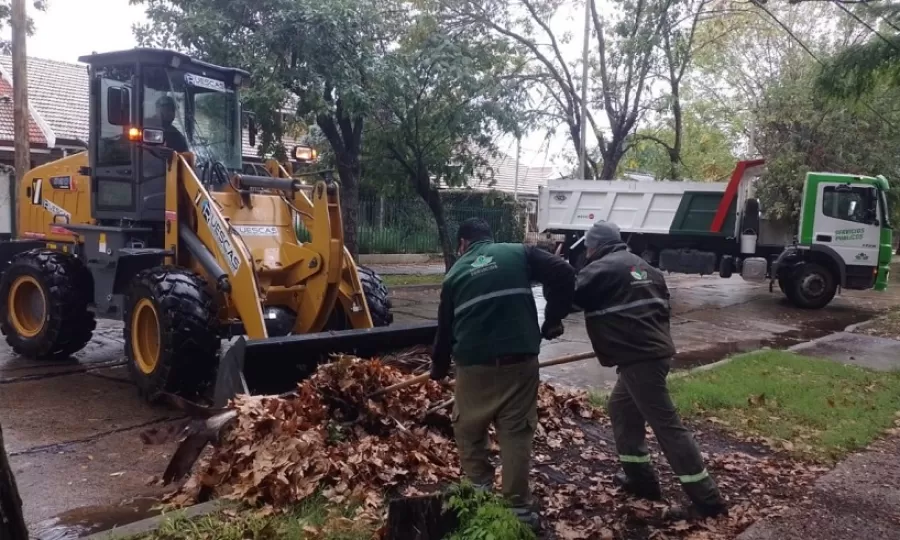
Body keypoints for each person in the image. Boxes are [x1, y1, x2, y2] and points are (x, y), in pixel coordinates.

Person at [574, 221, 727, 518]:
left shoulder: (600, 268)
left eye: (589, 246)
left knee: (667, 427)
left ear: (595, 246)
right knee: (621, 409)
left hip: (639, 359)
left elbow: (569, 294)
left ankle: (708, 501)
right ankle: (639, 479)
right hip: (656, 353)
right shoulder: (647, 269)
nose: (588, 251)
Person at [430, 218, 575, 529]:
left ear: (462, 245)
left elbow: (444, 330)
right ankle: (517, 510)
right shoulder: (518, 253)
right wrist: (552, 320)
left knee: (469, 428)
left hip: (474, 367)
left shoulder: (454, 274)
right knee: (516, 432)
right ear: (490, 239)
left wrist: (438, 369)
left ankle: (479, 497)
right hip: (520, 362)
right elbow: (563, 271)